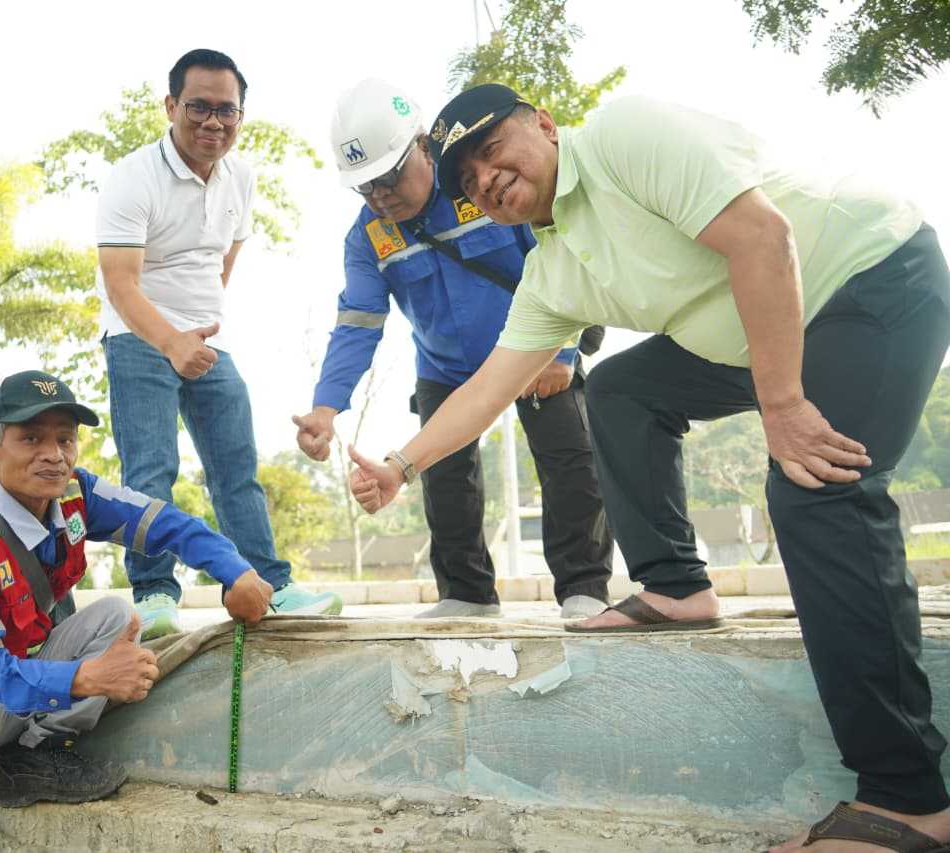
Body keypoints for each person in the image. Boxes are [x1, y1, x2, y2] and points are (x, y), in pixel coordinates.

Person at [347, 84, 950, 851]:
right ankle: (675, 586)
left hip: (870, 279)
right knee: (625, 388)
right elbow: (487, 389)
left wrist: (786, 404)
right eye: (465, 180)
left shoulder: (628, 136)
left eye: (492, 150)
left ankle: (907, 800)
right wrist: (402, 464)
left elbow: (764, 239)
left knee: (813, 492)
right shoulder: (555, 267)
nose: (485, 179)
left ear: (543, 123)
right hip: (760, 332)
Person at [0, 369, 275, 852]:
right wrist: (88, 678)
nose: (53, 454)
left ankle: (33, 756)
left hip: (15, 691)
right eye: (31, 438)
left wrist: (236, 572)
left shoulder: (73, 495)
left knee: (112, 617)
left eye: (65, 439)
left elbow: (161, 522)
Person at [293, 79, 612, 619]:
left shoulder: (479, 188)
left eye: (388, 178)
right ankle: (466, 595)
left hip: (533, 349)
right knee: (443, 477)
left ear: (422, 145)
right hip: (445, 366)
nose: (380, 197)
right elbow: (358, 323)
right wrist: (326, 406)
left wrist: (561, 350)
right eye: (364, 187)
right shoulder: (369, 237)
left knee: (568, 458)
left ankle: (584, 588)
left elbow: (557, 256)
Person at [96, 48, 341, 640]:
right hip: (138, 337)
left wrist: (196, 332)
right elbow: (121, 283)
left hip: (206, 341)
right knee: (150, 471)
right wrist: (170, 340)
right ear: (171, 106)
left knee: (236, 467)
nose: (212, 122)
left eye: (226, 111)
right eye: (198, 107)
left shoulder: (242, 177)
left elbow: (220, 266)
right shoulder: (133, 177)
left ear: (241, 115)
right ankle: (154, 595)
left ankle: (270, 585)